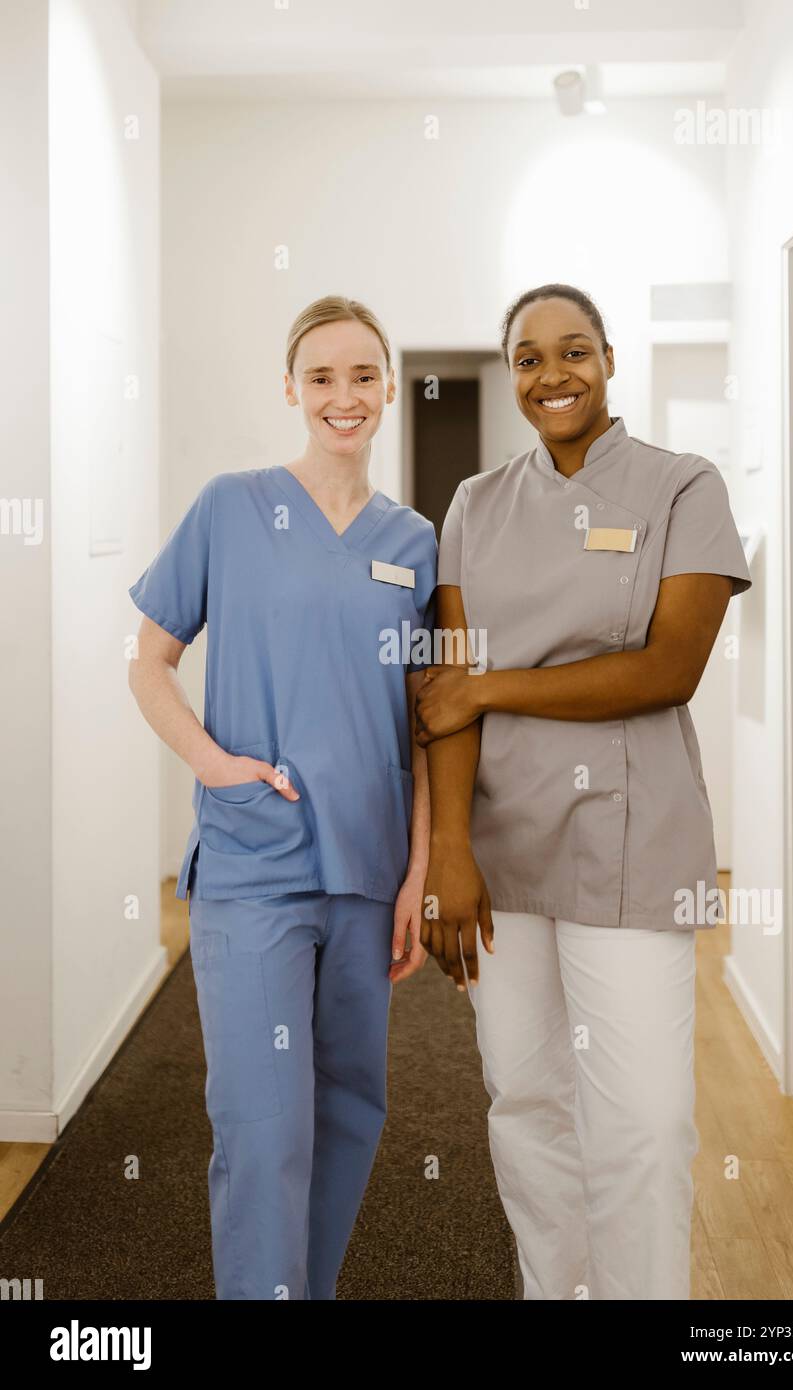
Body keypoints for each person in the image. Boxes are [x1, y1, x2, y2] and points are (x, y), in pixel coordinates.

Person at [415, 282, 752, 1301]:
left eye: (572, 352)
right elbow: (444, 699)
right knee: (524, 1102)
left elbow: (666, 669)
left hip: (627, 842)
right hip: (500, 847)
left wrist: (492, 683)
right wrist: (447, 852)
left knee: (643, 1121)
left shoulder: (680, 486)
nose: (550, 374)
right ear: (510, 371)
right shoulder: (475, 504)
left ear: (608, 359)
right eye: (526, 357)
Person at [127, 295, 437, 1300]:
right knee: (263, 1127)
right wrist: (212, 762)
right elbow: (149, 661)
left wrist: (418, 875)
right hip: (254, 865)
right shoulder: (231, 506)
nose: (342, 397)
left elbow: (427, 721)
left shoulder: (416, 541)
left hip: (367, 864)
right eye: (320, 377)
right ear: (293, 390)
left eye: (361, 376)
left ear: (388, 387)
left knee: (349, 1107)